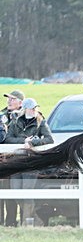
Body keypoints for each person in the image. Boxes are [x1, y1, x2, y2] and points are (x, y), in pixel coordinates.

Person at [5, 98, 54, 226]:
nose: (34, 110)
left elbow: (49, 139)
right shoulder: (15, 123)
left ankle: (26, 223)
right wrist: (23, 141)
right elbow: (8, 139)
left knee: (27, 192)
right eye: (31, 108)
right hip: (17, 162)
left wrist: (33, 143)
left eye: (35, 108)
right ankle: (36, 219)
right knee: (15, 192)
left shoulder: (40, 122)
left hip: (31, 163)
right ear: (25, 109)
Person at [1, 90, 25, 225]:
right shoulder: (2, 116)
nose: (9, 101)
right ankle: (5, 223)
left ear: (21, 102)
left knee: (18, 193)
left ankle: (21, 221)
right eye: (8, 99)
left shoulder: (27, 116)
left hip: (19, 161)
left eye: (13, 99)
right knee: (2, 192)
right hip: (3, 160)